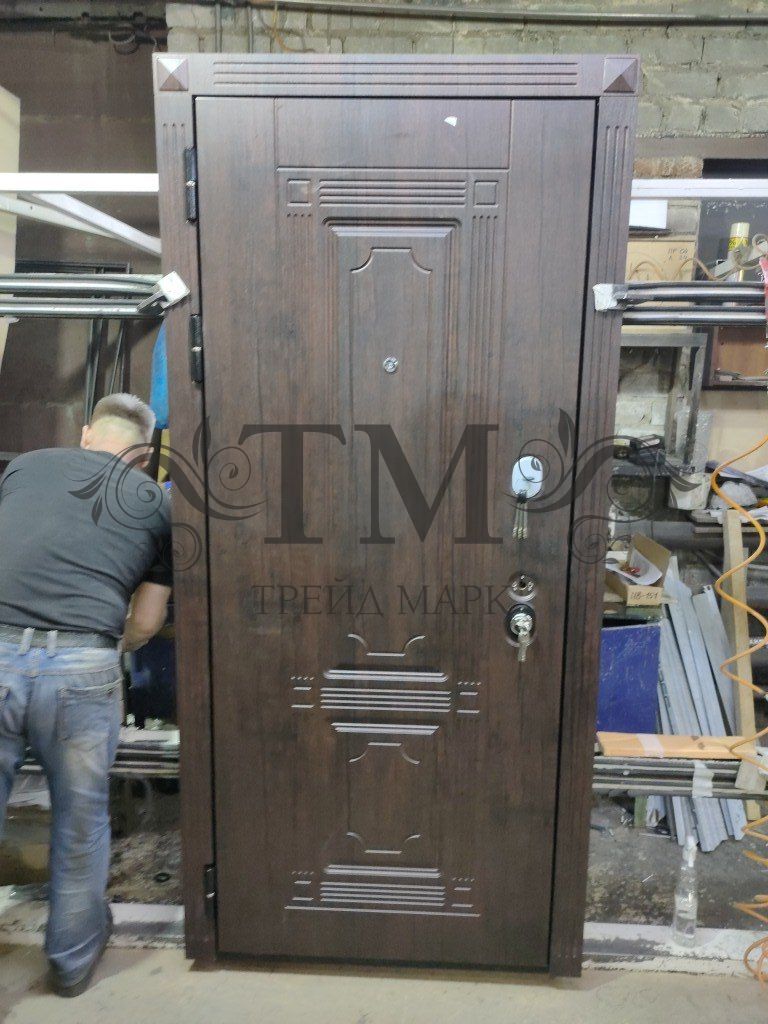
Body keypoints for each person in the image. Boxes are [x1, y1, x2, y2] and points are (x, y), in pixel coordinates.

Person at [0, 394, 172, 996]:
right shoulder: (155, 503)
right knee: (80, 818)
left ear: (86, 433)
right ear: (144, 455)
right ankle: (71, 964)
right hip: (84, 665)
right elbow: (146, 621)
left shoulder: (26, 466)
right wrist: (95, 644)